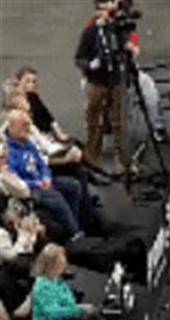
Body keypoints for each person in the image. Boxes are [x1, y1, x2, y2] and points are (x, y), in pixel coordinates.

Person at [5, 110, 88, 241]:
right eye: (24, 125)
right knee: (56, 197)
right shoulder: (8, 152)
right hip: (30, 189)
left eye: (28, 125)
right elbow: (17, 180)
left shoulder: (28, 143)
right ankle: (75, 234)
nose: (28, 129)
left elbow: (42, 165)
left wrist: (46, 178)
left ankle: (74, 226)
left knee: (73, 185)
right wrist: (39, 183)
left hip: (42, 181)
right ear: (12, 128)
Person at [76, 0, 136, 176]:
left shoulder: (115, 30)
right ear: (98, 11)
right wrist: (89, 65)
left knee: (119, 122)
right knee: (94, 121)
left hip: (115, 80)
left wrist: (128, 49)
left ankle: (122, 161)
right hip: (97, 82)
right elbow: (79, 58)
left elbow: (126, 47)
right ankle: (92, 158)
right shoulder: (90, 33)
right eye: (105, 10)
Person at [29, 244, 97, 320]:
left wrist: (80, 308)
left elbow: (68, 304)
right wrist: (80, 310)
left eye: (63, 263)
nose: (63, 267)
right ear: (49, 265)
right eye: (59, 264)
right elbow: (53, 313)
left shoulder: (58, 280)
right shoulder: (42, 285)